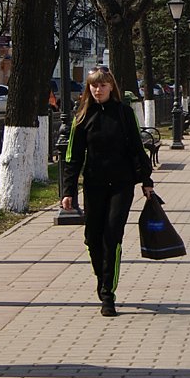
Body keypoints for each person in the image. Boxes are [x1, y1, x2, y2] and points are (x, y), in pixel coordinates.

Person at [60, 67, 155, 317]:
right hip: (94, 185)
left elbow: (137, 148)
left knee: (112, 236)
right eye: (93, 85)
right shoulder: (82, 117)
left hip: (122, 186)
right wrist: (68, 190)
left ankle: (107, 293)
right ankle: (103, 277)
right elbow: (73, 157)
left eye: (102, 85)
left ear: (111, 87)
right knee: (93, 237)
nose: (98, 89)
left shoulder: (123, 114)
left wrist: (146, 180)